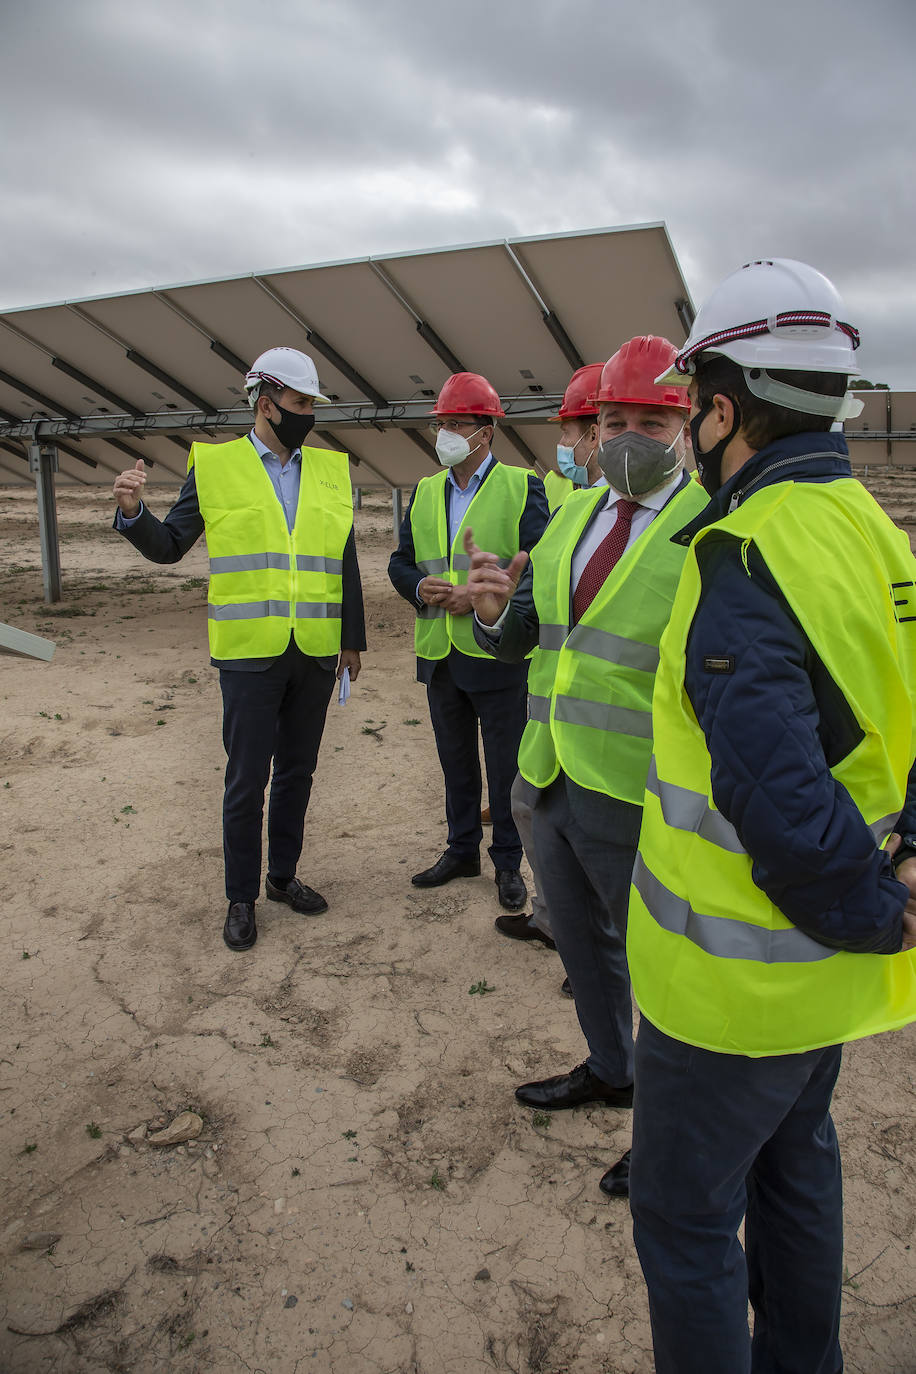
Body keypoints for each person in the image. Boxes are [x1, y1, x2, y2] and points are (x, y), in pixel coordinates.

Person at [625, 259, 916, 1373]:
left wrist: (869, 908)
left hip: (734, 991)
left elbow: (775, 793)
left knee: (687, 1219)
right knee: (798, 1177)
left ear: (722, 408)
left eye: (692, 403)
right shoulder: (871, 531)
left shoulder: (737, 555)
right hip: (828, 984)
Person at [467, 337, 707, 1196]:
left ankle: (669, 1136)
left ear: (687, 425)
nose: (631, 435)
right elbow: (530, 631)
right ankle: (613, 1069)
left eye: (653, 419)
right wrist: (495, 613)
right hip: (549, 773)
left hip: (642, 790)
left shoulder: (712, 527)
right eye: (616, 420)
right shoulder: (571, 514)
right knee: (582, 941)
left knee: (661, 973)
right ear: (593, 426)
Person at [112, 346, 365, 953]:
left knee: (298, 773)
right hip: (249, 654)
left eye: (311, 405)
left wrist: (351, 639)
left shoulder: (330, 469)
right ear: (264, 401)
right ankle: (240, 898)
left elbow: (343, 557)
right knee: (247, 779)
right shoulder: (217, 467)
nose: (307, 414)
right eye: (299, 403)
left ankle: (282, 878)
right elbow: (171, 544)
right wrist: (133, 514)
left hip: (313, 650)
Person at [388, 371, 549, 911]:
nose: (446, 433)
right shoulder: (427, 490)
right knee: (455, 761)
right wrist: (418, 586)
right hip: (439, 654)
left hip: (498, 652)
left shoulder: (522, 486)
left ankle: (508, 863)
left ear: (487, 431)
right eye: (442, 423)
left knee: (504, 765)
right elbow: (401, 560)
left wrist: (481, 595)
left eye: (457, 423)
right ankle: (461, 850)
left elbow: (539, 567)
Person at [498, 363, 605, 962]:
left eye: (569, 432)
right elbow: (538, 600)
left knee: (593, 838)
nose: (561, 445)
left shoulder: (661, 516)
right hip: (550, 701)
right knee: (529, 811)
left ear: (594, 434)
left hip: (605, 716)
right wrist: (497, 613)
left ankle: (591, 947)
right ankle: (553, 920)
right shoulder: (562, 497)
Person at [542, 362, 605, 513]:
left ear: (593, 435)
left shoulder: (625, 501)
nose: (561, 443)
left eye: (566, 433)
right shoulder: (554, 482)